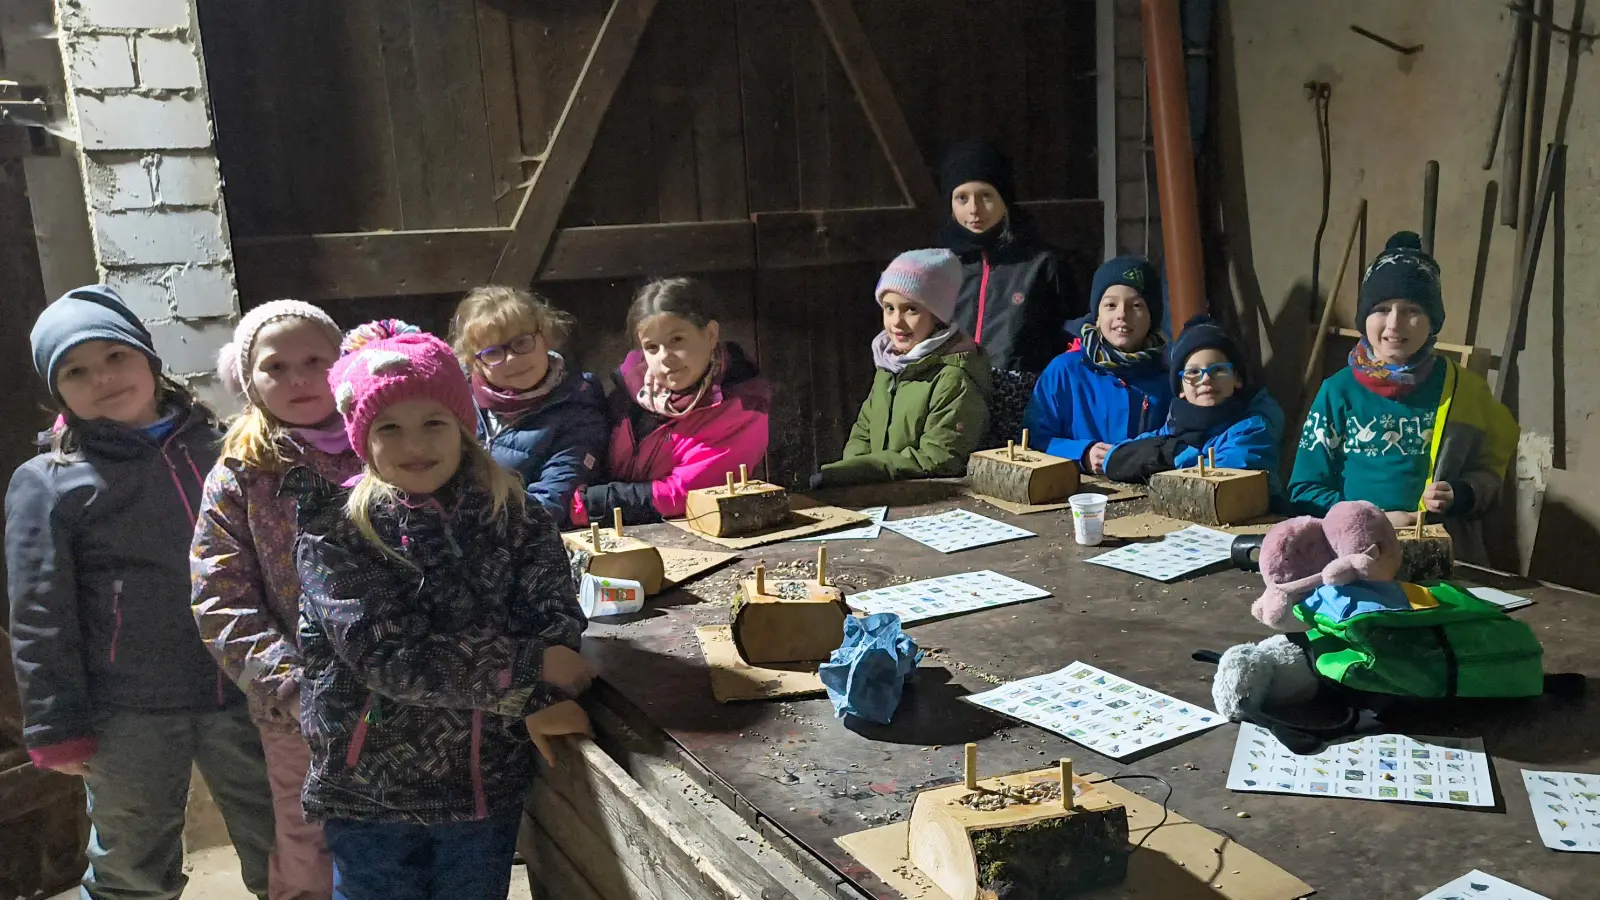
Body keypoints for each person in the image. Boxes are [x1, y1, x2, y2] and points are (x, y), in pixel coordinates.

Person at [288, 322, 594, 900]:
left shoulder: (516, 515)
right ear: (362, 438)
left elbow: (553, 617)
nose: (414, 445)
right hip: (371, 789)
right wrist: (528, 672)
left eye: (433, 422)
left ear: (462, 425)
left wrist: (540, 698)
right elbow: (387, 656)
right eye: (389, 428)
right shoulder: (336, 533)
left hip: (485, 784)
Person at [7, 286, 275, 899]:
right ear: (58, 392)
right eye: (76, 371)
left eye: (115, 356)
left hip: (245, 689)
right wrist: (55, 726)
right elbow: (40, 614)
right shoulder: (48, 482)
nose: (102, 378)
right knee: (132, 863)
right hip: (128, 710)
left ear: (149, 360)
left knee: (286, 846)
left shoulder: (224, 448)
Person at [191, 300, 360, 900]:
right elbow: (219, 592)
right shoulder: (242, 472)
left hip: (399, 690)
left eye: (316, 361)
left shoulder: (387, 443)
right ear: (247, 380)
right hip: (297, 703)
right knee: (308, 830)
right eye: (275, 367)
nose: (298, 379)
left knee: (396, 828)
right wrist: (285, 681)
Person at [1289, 231, 1518, 564]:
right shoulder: (1337, 392)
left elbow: (1490, 477)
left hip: (1439, 557)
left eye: (1412, 310)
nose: (1395, 324)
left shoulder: (1466, 391)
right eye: (1381, 309)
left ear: (1433, 321)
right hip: (1352, 557)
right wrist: (1372, 521)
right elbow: (1304, 490)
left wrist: (1461, 494)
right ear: (1364, 318)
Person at [574, 277, 770, 526]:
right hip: (620, 532)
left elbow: (684, 494)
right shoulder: (630, 393)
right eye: (652, 347)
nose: (665, 357)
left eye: (677, 340)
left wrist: (588, 504)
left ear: (711, 335)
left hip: (689, 536)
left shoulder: (740, 406)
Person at [937, 138, 1075, 446]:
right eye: (962, 198)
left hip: (1023, 403)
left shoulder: (1040, 264)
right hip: (953, 400)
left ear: (1005, 197)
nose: (974, 210)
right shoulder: (938, 265)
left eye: (986, 196)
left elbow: (1068, 337)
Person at [814, 249, 990, 487]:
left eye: (911, 309)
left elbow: (939, 457)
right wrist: (850, 474)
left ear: (937, 316)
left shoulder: (953, 378)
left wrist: (861, 471)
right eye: (889, 308)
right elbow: (863, 432)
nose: (896, 321)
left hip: (930, 496)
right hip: (881, 490)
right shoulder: (889, 368)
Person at [449, 285, 608, 528]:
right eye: (493, 352)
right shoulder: (454, 396)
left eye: (522, 342)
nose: (512, 358)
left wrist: (475, 529)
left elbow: (552, 500)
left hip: (518, 537)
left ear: (545, 338)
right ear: (475, 362)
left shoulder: (577, 409)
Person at [1103, 314, 1286, 504]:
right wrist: (1166, 452)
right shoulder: (1175, 426)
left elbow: (1223, 481)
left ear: (1237, 379)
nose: (1205, 379)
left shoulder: (1254, 427)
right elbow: (1113, 459)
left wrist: (1171, 456)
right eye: (1193, 372)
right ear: (1181, 388)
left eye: (1218, 370)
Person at [1020, 256, 1173, 475]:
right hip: (1076, 489)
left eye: (1136, 305)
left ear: (1152, 316)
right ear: (1097, 316)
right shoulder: (1066, 371)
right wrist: (1081, 453)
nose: (1122, 314)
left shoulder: (1168, 376)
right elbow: (1033, 439)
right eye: (1110, 305)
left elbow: (1180, 438)